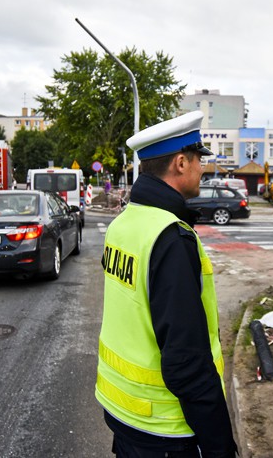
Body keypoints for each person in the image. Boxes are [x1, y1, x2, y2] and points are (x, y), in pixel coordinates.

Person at [96, 110, 238, 458]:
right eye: (198, 160)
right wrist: (220, 445)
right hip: (165, 429)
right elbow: (186, 361)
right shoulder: (171, 238)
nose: (202, 168)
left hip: (124, 413)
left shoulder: (124, 223)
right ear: (180, 163)